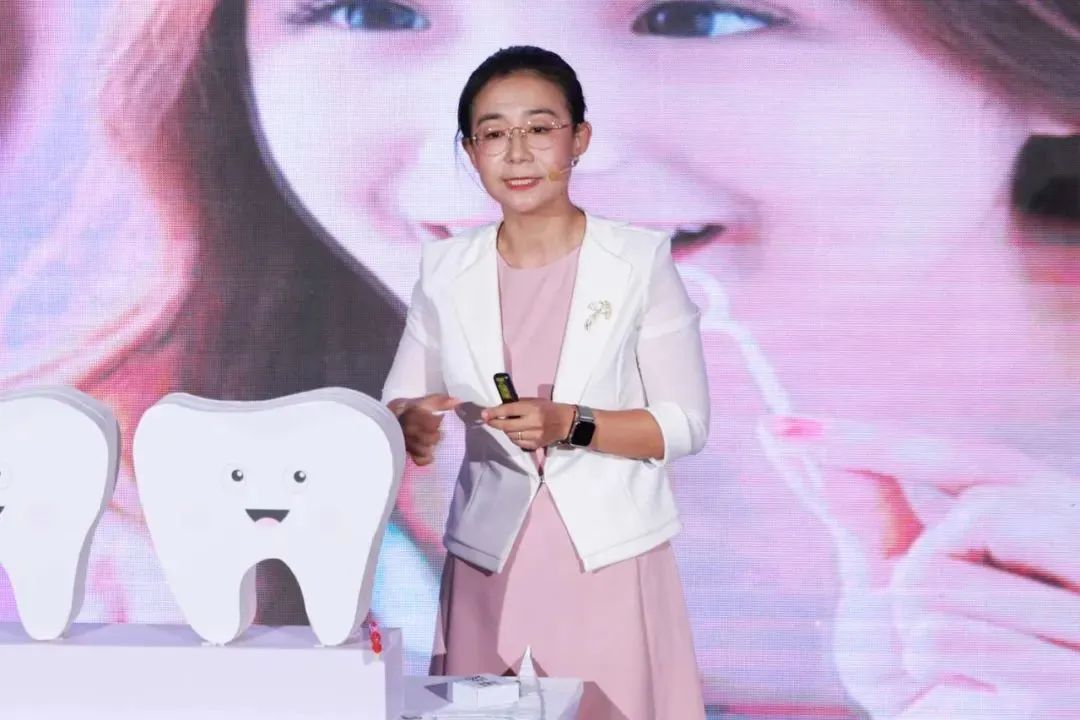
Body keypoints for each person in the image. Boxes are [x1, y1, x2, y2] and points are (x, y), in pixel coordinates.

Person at [381, 46, 711, 719]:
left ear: (579, 138)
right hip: (488, 559)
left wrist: (572, 424)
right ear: (470, 152)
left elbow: (684, 424)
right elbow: (404, 395)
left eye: (539, 128)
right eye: (493, 134)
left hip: (609, 556)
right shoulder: (444, 268)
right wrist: (411, 423)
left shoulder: (638, 260)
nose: (517, 153)